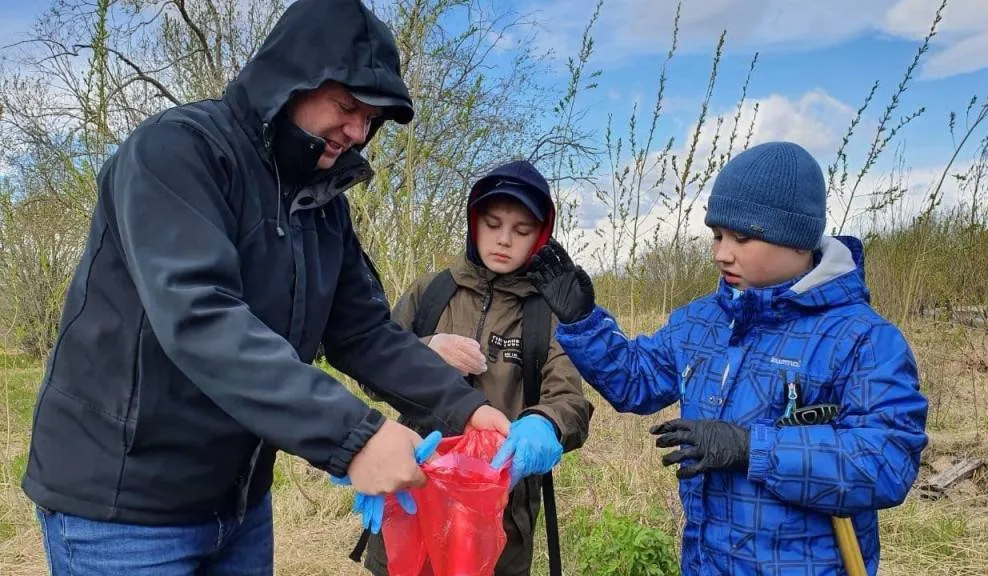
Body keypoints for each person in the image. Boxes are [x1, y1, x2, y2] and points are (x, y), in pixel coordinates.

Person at [21, 0, 510, 573]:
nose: (359, 131)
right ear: (292, 81)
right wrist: (354, 436)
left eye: (372, 119)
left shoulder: (323, 203)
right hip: (121, 507)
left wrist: (466, 408)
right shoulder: (177, 153)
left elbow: (364, 333)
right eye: (348, 106)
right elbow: (202, 319)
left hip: (240, 502)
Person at [526, 141, 929, 575]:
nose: (722, 252)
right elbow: (635, 382)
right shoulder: (701, 321)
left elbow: (886, 461)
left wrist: (750, 447)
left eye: (742, 237)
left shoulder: (862, 338)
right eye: (717, 235)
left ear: (797, 240)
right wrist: (583, 322)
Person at [362, 160, 594, 576]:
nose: (504, 240)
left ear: (540, 236)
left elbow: (570, 402)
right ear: (474, 223)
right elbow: (373, 373)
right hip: (415, 493)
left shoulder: (546, 315)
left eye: (522, 231)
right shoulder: (430, 292)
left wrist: (545, 424)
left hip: (498, 511)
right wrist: (424, 350)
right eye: (492, 223)